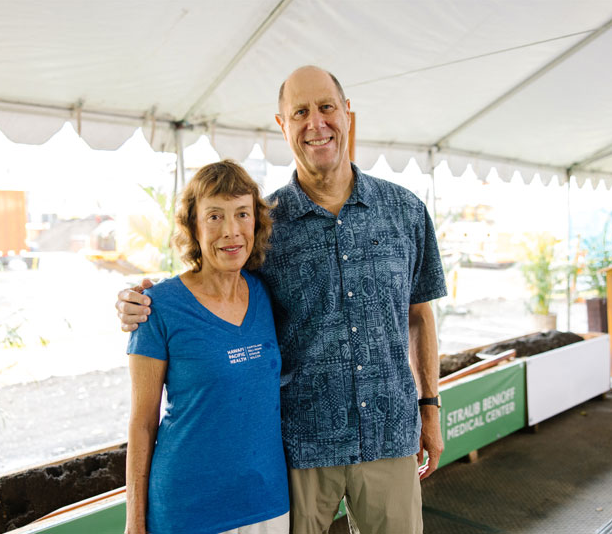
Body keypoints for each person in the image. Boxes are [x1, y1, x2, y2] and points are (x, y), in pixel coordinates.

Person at [118, 66, 446, 534]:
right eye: (300, 112)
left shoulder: (406, 210)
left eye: (327, 107)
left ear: (348, 114)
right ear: (282, 125)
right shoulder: (265, 226)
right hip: (300, 452)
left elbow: (420, 315)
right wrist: (140, 301)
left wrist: (430, 409)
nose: (316, 123)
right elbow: (210, 282)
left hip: (390, 436)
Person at [125, 160, 289, 534]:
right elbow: (142, 423)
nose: (230, 232)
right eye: (214, 216)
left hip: (268, 503)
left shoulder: (265, 293)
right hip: (188, 510)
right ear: (193, 226)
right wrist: (135, 523)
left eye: (241, 214)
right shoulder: (157, 307)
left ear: (256, 223)